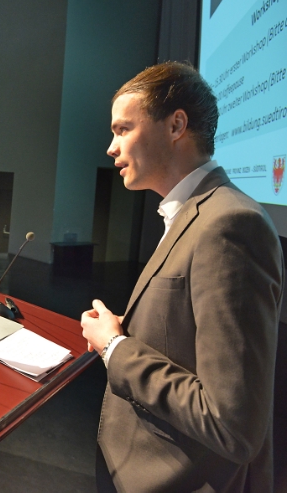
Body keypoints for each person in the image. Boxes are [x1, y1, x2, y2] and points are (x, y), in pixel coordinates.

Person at [79, 62, 282, 493]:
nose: (111, 148)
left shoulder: (230, 225)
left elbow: (232, 425)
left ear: (175, 125)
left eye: (123, 129)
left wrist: (116, 348)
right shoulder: (193, 215)